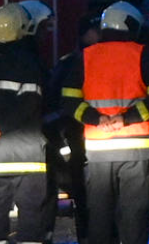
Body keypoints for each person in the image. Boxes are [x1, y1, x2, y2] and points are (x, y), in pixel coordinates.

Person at [61, 1, 149, 244]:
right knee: (134, 217)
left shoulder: (85, 58)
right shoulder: (142, 54)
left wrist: (96, 119)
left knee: (99, 219)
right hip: (136, 152)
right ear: (131, 25)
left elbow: (68, 100)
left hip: (98, 153)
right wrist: (126, 118)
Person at [0, 2, 52, 244]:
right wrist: (1, 126)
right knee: (30, 220)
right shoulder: (28, 60)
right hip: (27, 155)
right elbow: (30, 103)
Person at [44, 13, 100, 243]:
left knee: (94, 200)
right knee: (87, 200)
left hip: (89, 143)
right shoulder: (72, 64)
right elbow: (56, 107)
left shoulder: (73, 62)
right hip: (78, 142)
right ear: (85, 33)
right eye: (96, 29)